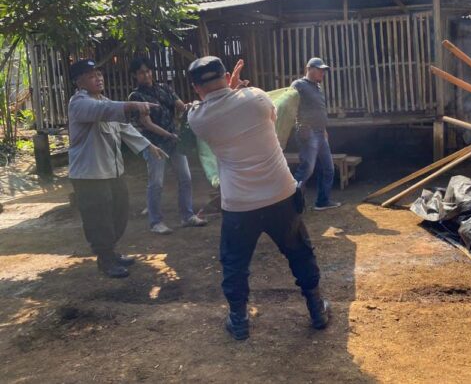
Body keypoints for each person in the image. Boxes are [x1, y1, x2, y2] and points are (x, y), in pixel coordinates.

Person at [187, 56, 330, 341]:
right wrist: (238, 90)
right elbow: (272, 120)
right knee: (300, 253)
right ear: (227, 75)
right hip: (280, 194)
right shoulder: (256, 98)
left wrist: (228, 92)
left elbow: (213, 107)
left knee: (235, 264)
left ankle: (239, 321)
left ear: (195, 88)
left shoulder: (197, 118)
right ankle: (316, 310)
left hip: (239, 204)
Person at [68, 59, 168, 278]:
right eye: (92, 75)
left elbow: (124, 128)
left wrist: (149, 146)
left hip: (112, 171)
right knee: (99, 219)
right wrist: (133, 105)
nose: (99, 77)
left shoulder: (104, 100)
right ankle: (105, 259)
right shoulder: (79, 103)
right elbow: (104, 110)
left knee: (119, 213)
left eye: (99, 73)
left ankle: (111, 253)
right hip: (90, 175)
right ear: (79, 81)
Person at [128, 57, 207, 234]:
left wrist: (193, 107)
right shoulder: (136, 97)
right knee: (156, 183)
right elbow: (147, 124)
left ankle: (187, 216)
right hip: (154, 144)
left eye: (148, 71)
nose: (146, 75)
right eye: (141, 72)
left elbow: (180, 106)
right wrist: (169, 134)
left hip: (174, 141)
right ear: (135, 75)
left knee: (185, 178)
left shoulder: (164, 88)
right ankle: (156, 222)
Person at [290, 57, 341, 211]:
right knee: (307, 169)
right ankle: (291, 204)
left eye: (323, 71)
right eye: (319, 70)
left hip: (320, 133)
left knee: (328, 168)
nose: (322, 73)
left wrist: (324, 130)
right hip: (308, 132)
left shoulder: (318, 87)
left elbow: (319, 111)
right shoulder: (298, 85)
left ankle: (322, 201)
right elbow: (290, 107)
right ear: (309, 68)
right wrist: (300, 125)